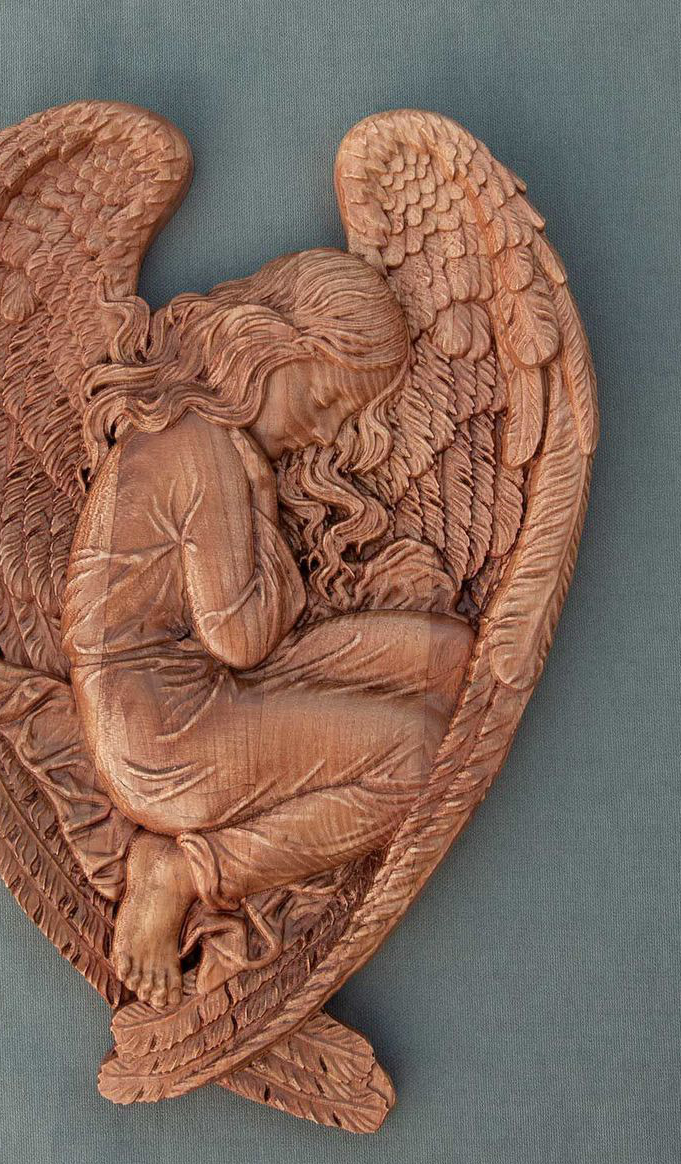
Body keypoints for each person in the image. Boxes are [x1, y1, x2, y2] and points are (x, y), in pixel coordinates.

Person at [61, 249, 475, 1010]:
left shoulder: (215, 440)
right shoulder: (203, 449)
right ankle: (186, 871)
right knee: (416, 756)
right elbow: (245, 637)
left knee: (450, 655)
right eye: (326, 399)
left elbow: (244, 644)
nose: (327, 430)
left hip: (207, 687)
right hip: (158, 733)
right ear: (271, 349)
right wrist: (261, 503)